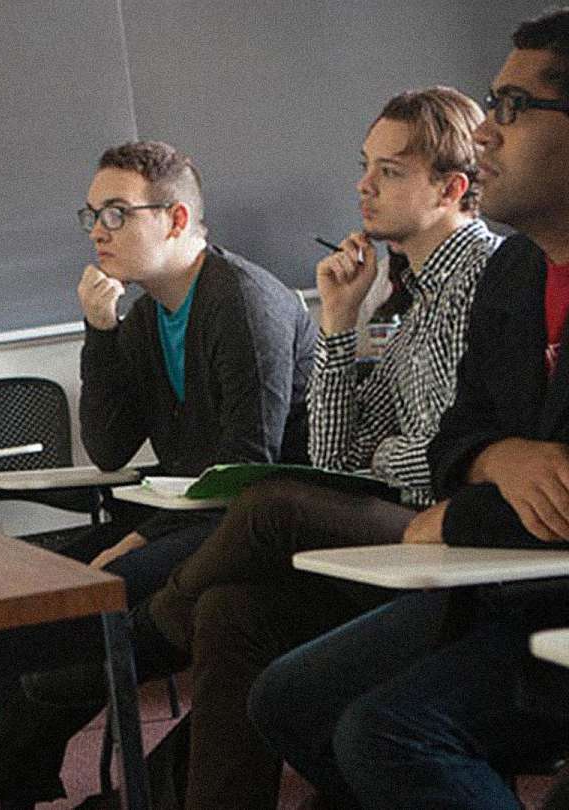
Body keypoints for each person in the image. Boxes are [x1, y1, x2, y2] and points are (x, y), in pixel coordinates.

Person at [0, 139, 315, 810]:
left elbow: (247, 470)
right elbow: (111, 447)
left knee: (87, 609)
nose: (97, 232)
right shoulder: (145, 317)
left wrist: (141, 539)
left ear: (175, 219)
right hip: (189, 515)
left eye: (116, 213)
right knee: (40, 589)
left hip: (260, 526)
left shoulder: (242, 302)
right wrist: (100, 330)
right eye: (91, 215)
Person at [135, 86, 499, 810]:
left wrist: (383, 457)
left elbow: (446, 455)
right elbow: (337, 458)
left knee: (271, 505)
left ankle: (151, 628)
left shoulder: (482, 277)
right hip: (399, 519)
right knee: (230, 611)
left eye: (389, 171)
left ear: (451, 189)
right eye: (365, 166)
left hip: (454, 530)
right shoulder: (407, 293)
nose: (364, 186)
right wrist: (336, 321)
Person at [250, 10, 569, 809]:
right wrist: (496, 456)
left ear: (449, 191)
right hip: (500, 577)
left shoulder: (476, 269)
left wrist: (457, 505)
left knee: (384, 729)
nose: (488, 132)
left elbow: (506, 481)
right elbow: (447, 439)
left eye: (514, 108)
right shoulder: (515, 271)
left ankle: (116, 625)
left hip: (524, 576)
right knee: (281, 691)